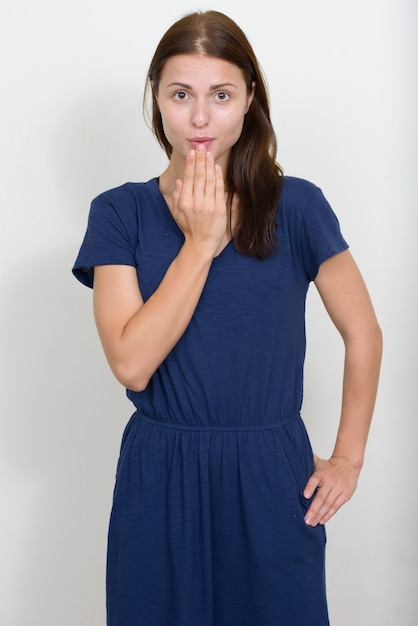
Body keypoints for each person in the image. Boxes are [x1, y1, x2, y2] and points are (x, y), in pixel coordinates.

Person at [73, 9, 382, 626]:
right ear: (156, 100)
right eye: (180, 94)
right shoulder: (120, 213)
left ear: (249, 100)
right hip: (161, 471)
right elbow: (132, 364)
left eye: (221, 95)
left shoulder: (296, 205)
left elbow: (363, 331)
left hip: (271, 469)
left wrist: (348, 457)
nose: (199, 117)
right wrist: (200, 242)